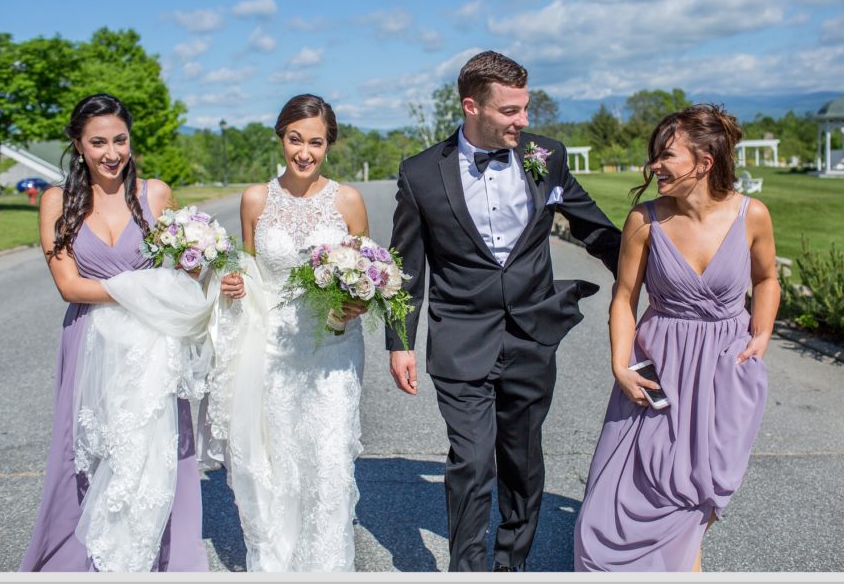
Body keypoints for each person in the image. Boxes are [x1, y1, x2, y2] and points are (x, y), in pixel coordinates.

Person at [385, 51, 621, 572]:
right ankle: (465, 571)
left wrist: (664, 273)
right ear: (472, 106)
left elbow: (596, 229)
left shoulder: (547, 155)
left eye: (526, 107)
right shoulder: (422, 173)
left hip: (533, 335)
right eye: (511, 111)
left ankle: (510, 565)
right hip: (461, 336)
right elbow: (406, 266)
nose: (524, 121)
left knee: (521, 460)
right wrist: (399, 340)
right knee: (470, 461)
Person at [574, 103, 780, 572]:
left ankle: (684, 562)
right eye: (655, 156)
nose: (654, 166)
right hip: (659, 365)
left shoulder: (752, 216)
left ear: (704, 163)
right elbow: (624, 298)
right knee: (629, 484)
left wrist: (761, 334)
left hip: (724, 370)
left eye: (666, 156)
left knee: (699, 483)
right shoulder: (643, 222)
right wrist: (620, 365)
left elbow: (767, 279)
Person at [21, 93, 208, 572]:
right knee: (90, 451)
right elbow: (69, 285)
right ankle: (85, 558)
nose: (111, 152)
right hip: (89, 341)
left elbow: (186, 268)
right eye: (98, 142)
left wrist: (208, 272)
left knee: (158, 452)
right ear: (78, 146)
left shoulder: (157, 194)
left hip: (153, 345)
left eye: (120, 140)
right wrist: (145, 287)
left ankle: (167, 558)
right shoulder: (55, 201)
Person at [210, 94, 369, 572]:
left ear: (329, 144)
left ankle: (328, 568)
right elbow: (251, 270)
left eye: (315, 142)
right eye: (295, 139)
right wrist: (234, 284)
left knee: (328, 462)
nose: (304, 152)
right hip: (273, 348)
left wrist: (354, 306)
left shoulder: (348, 200)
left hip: (333, 348)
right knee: (278, 462)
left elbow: (366, 276)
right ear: (281, 138)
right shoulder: (256, 199)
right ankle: (277, 565)